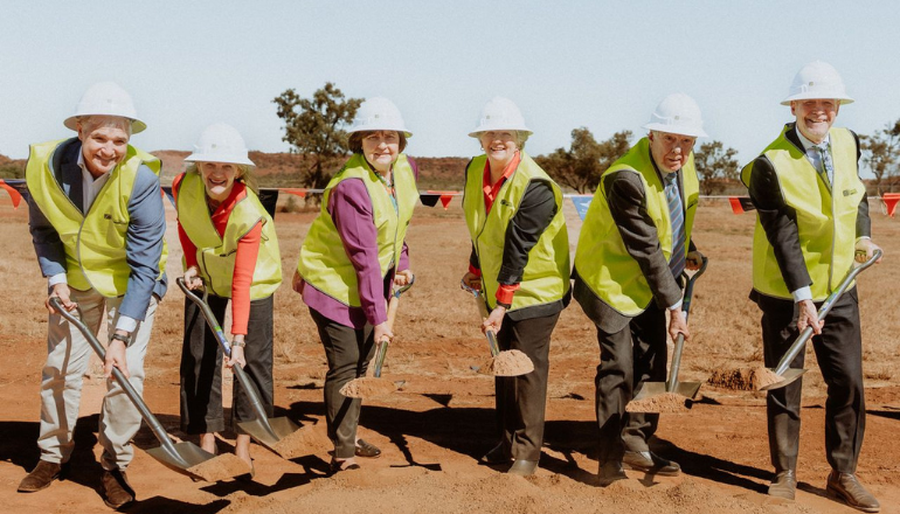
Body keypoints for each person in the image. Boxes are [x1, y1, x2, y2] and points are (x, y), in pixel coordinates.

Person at [18, 82, 167, 509]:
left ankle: (114, 465)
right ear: (80, 130)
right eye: (100, 137)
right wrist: (56, 279)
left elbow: (143, 267)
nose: (109, 149)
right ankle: (51, 455)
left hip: (130, 284)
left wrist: (118, 339)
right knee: (61, 366)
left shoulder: (141, 179)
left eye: (120, 140)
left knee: (126, 370)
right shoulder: (44, 167)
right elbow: (44, 232)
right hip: (75, 281)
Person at [742, 61, 882, 512]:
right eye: (810, 103)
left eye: (827, 102)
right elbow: (783, 238)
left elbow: (856, 196)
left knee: (849, 383)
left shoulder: (848, 142)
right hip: (786, 294)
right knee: (785, 380)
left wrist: (862, 237)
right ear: (794, 106)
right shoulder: (769, 165)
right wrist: (803, 298)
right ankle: (784, 472)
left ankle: (843, 473)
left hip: (841, 286)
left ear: (837, 107)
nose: (819, 110)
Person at [572, 93, 706, 485]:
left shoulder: (684, 163)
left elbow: (670, 219)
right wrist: (676, 305)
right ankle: (609, 458)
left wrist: (689, 251)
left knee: (652, 363)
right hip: (610, 281)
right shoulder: (625, 178)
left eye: (687, 141)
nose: (678, 149)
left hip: (649, 282)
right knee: (619, 367)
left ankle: (637, 443)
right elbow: (645, 247)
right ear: (651, 134)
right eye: (670, 139)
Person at [293, 97, 416, 473]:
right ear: (359, 142)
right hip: (333, 284)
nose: (383, 144)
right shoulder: (351, 187)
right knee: (346, 366)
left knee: (363, 364)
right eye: (373, 137)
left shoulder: (402, 172)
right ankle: (343, 451)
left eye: (390, 136)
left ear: (401, 143)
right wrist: (380, 319)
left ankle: (347, 431)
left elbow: (398, 225)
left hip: (369, 282)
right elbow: (363, 257)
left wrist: (403, 264)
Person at [461, 97, 571, 477]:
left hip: (537, 291)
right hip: (498, 289)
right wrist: (475, 268)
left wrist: (501, 304)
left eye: (506, 133)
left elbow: (518, 247)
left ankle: (527, 453)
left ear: (520, 138)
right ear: (480, 138)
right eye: (490, 133)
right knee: (503, 367)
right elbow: (481, 227)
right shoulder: (475, 170)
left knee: (526, 369)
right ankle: (506, 441)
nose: (497, 140)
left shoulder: (537, 185)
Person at [174, 123, 282, 477]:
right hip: (206, 277)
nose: (217, 173)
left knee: (251, 360)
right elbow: (185, 225)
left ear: (239, 171)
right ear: (198, 167)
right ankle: (207, 436)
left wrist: (237, 338)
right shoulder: (183, 186)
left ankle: (244, 444)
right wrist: (191, 263)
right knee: (199, 354)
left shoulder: (249, 212)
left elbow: (242, 278)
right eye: (209, 165)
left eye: (226, 167)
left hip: (253, 282)